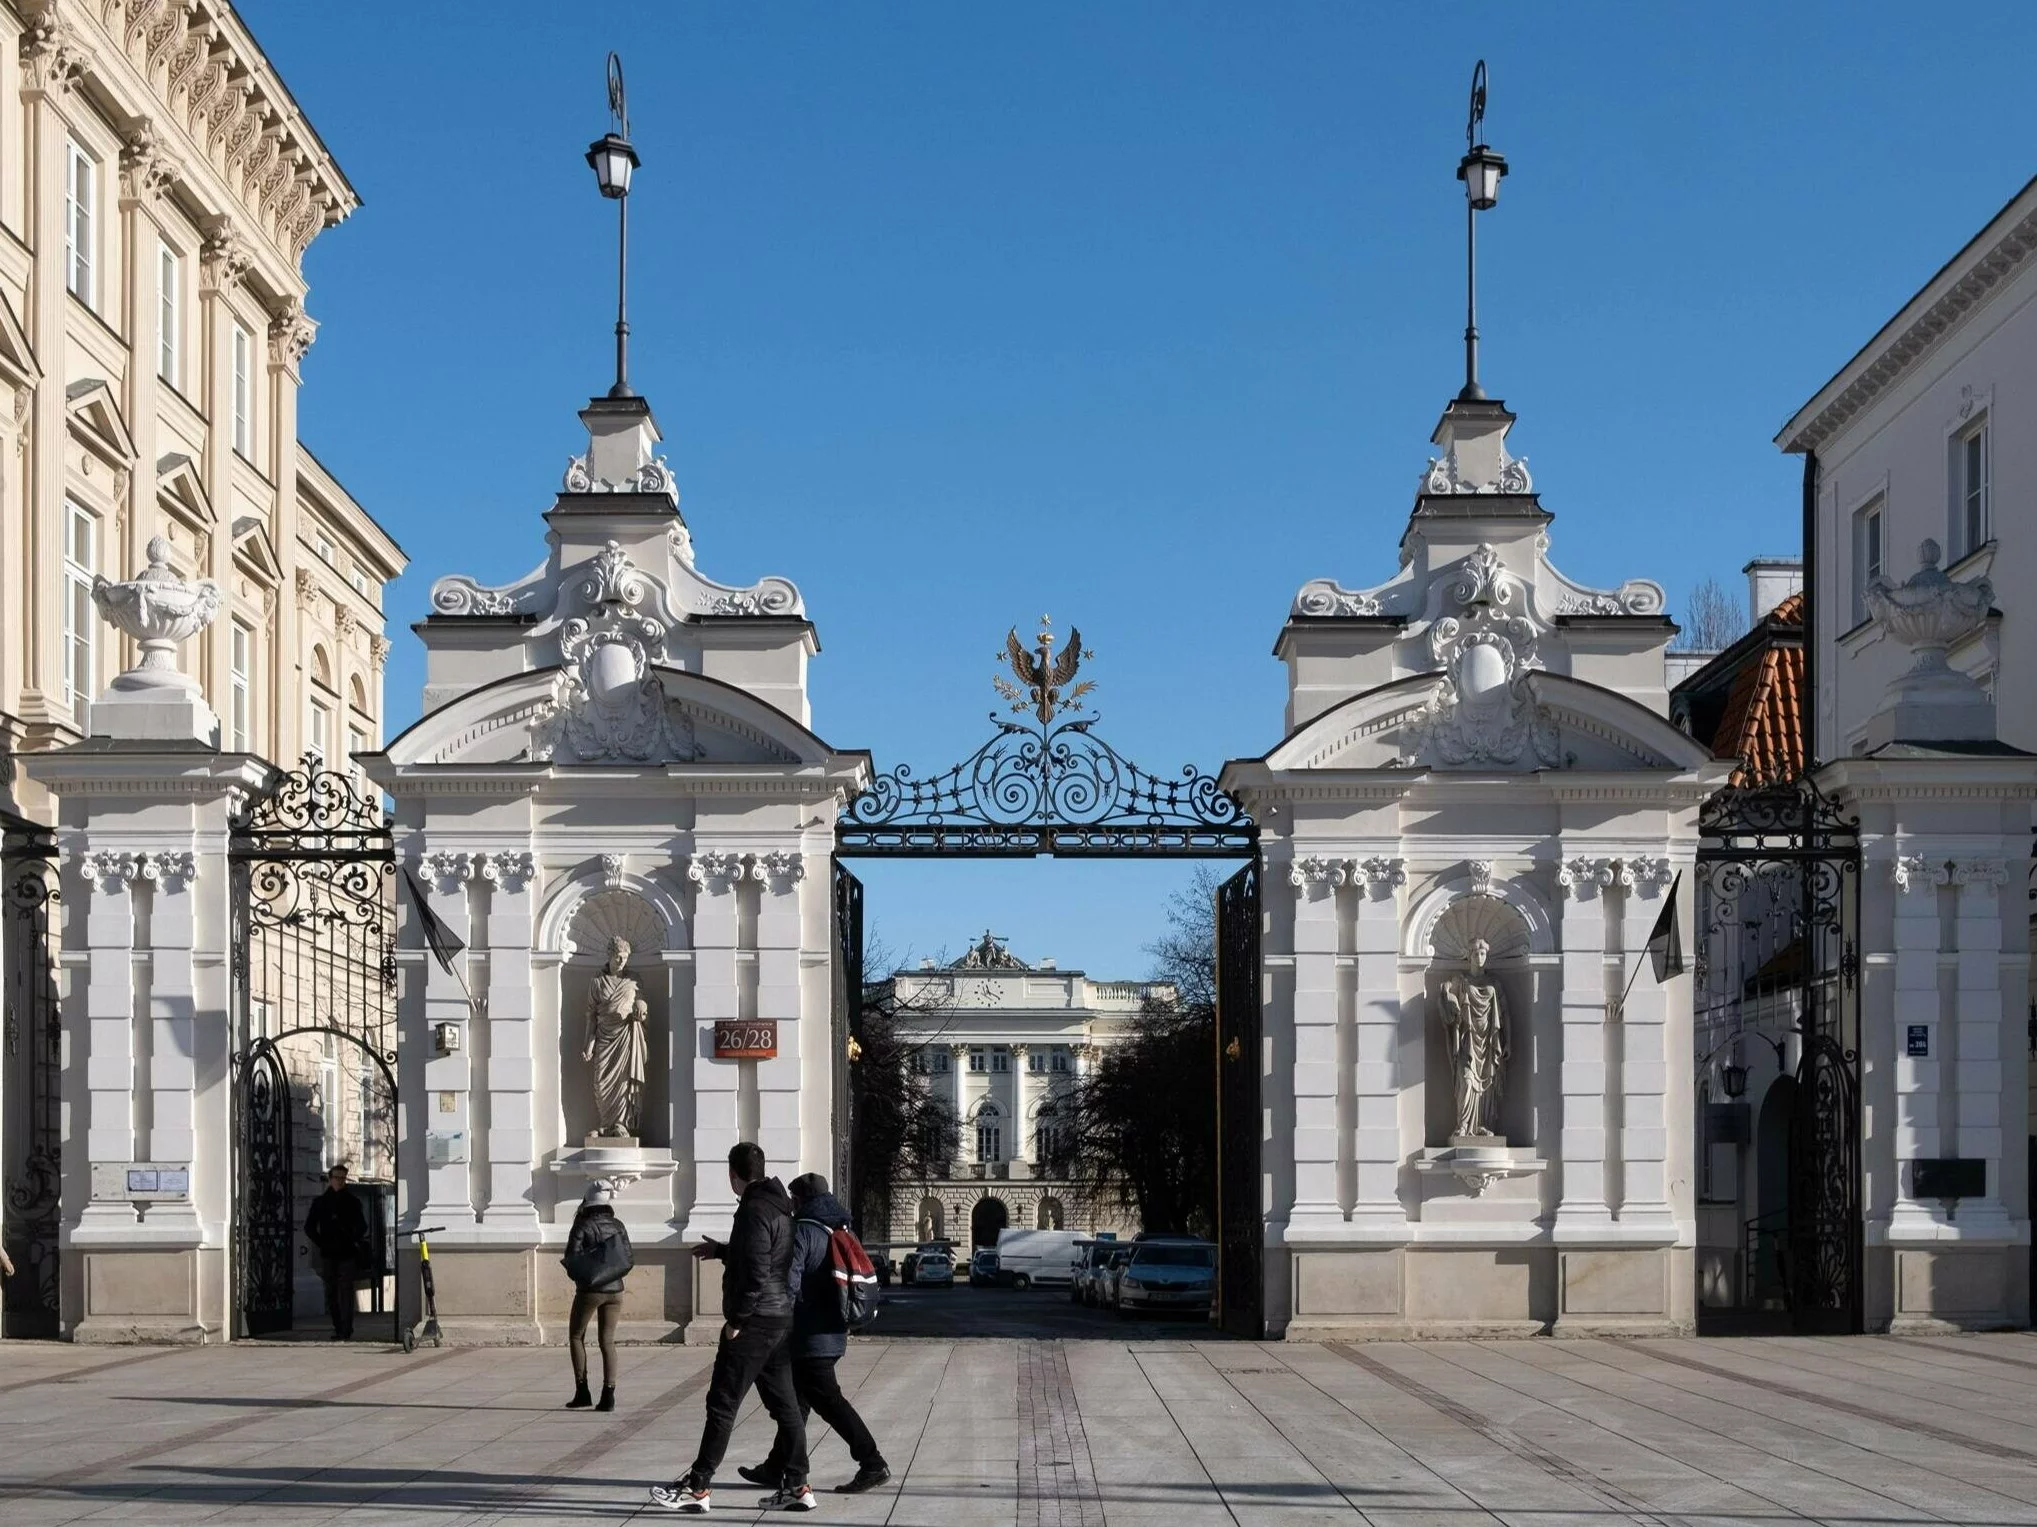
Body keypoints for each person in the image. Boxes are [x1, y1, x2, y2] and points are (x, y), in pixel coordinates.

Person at [650, 1143, 813, 1514]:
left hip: (754, 1322)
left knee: (722, 1404)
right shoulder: (779, 1206)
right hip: (779, 1317)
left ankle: (698, 1486)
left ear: (732, 1175)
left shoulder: (754, 1210)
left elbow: (756, 1272)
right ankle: (798, 1485)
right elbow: (770, 1258)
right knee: (785, 1406)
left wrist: (737, 1321)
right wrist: (723, 1251)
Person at [741, 1173, 889, 1495]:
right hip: (832, 1333)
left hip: (810, 1337)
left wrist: (775, 1322)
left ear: (799, 1201)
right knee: (798, 1403)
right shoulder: (838, 1229)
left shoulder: (803, 1233)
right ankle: (776, 1467)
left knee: (827, 1402)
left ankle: (872, 1462)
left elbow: (788, 1284)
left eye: (793, 1200)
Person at [562, 1179, 633, 1412]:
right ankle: (609, 1394)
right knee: (607, 1341)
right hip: (616, 1290)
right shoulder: (618, 1224)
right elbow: (628, 1258)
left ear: (587, 1201)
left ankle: (582, 1391)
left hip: (590, 1290)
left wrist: (583, 1279)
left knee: (576, 1336)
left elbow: (571, 1258)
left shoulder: (582, 1225)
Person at [303, 1163, 367, 1341]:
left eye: (342, 1178)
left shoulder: (352, 1202)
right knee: (331, 1292)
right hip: (329, 1253)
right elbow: (309, 1227)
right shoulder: (321, 1203)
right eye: (336, 1177)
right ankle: (338, 1326)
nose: (339, 1181)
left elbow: (362, 1226)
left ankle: (346, 1329)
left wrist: (352, 1237)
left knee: (345, 1291)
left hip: (347, 1253)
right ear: (330, 1179)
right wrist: (321, 1242)